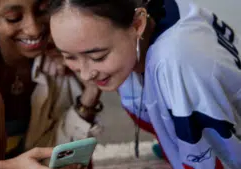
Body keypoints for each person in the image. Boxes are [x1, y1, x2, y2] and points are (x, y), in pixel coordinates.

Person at [49, 0, 241, 168]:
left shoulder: (175, 63)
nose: (85, 73)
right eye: (69, 56)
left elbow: (213, 160)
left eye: (98, 56)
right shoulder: (154, 10)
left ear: (138, 24)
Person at [0, 0, 103, 168]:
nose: (34, 30)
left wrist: (90, 90)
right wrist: (8, 167)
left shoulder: (63, 52)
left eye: (43, 9)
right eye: (14, 18)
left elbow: (61, 155)